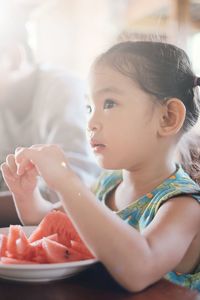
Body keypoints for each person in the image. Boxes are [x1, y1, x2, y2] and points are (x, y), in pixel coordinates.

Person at [1, 41, 200, 292]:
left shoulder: (183, 206)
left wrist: (66, 180)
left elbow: (140, 269)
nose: (91, 122)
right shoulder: (109, 184)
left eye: (109, 103)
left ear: (167, 117)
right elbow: (47, 220)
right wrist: (26, 194)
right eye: (89, 107)